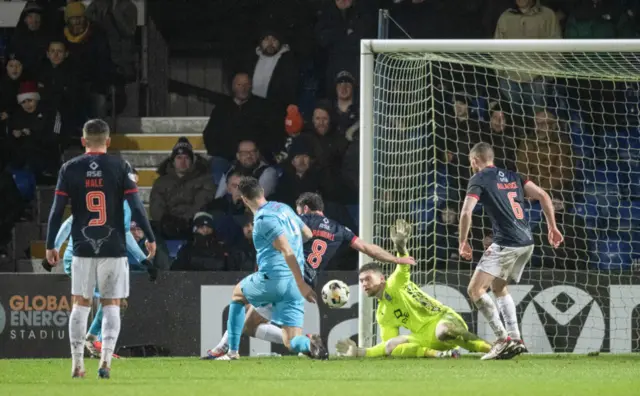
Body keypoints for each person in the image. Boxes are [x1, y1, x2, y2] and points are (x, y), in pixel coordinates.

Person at [206, 192, 415, 358]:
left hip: (285, 276)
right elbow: (368, 248)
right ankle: (307, 342)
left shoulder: (298, 220)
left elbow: (280, 242)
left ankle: (222, 349)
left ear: (304, 208)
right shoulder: (339, 229)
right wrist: (397, 259)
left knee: (243, 306)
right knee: (256, 324)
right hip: (305, 283)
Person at [45, 119, 156, 379]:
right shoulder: (121, 167)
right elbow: (137, 208)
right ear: (108, 141)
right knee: (112, 304)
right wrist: (149, 237)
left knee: (80, 304)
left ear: (83, 141)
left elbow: (57, 211)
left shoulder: (69, 168)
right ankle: (105, 362)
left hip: (82, 247)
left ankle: (77, 365)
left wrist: (51, 244)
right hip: (114, 246)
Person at [458, 142, 563, 360]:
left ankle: (501, 340)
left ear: (475, 161)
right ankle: (515, 338)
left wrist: (463, 241)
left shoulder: (479, 178)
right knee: (499, 286)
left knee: (475, 290)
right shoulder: (514, 175)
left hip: (507, 243)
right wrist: (552, 227)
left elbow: (466, 212)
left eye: (471, 163)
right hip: (527, 242)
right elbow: (543, 195)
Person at [335, 219, 493, 359]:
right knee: (392, 346)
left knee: (443, 331)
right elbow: (386, 345)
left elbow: (403, 266)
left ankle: (492, 349)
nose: (364, 284)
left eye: (368, 279)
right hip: (423, 337)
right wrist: (360, 352)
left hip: (443, 319)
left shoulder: (395, 283)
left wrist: (400, 247)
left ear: (382, 278)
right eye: (361, 281)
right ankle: (438, 355)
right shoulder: (382, 314)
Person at [215, 177, 325, 361]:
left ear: (244, 199)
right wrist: (300, 282)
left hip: (273, 279)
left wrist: (301, 282)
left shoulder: (263, 219)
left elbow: (286, 250)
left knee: (237, 295)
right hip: (293, 286)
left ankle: (232, 352)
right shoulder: (284, 208)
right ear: (262, 192)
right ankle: (309, 344)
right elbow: (307, 234)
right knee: (291, 341)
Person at [52, 198, 155, 358]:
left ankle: (94, 344)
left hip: (92, 259)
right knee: (111, 300)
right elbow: (126, 233)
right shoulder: (114, 200)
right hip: (82, 258)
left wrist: (54, 247)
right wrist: (143, 260)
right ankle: (91, 342)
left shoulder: (99, 197)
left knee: (114, 301)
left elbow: (68, 224)